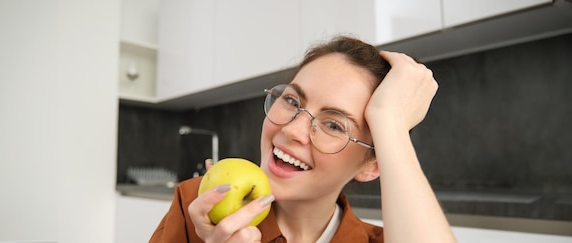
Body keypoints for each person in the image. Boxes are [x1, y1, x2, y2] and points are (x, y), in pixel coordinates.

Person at [149, 35, 456, 243]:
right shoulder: (197, 206)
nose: (292, 130)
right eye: (293, 102)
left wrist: (390, 123)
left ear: (371, 166)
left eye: (334, 126)